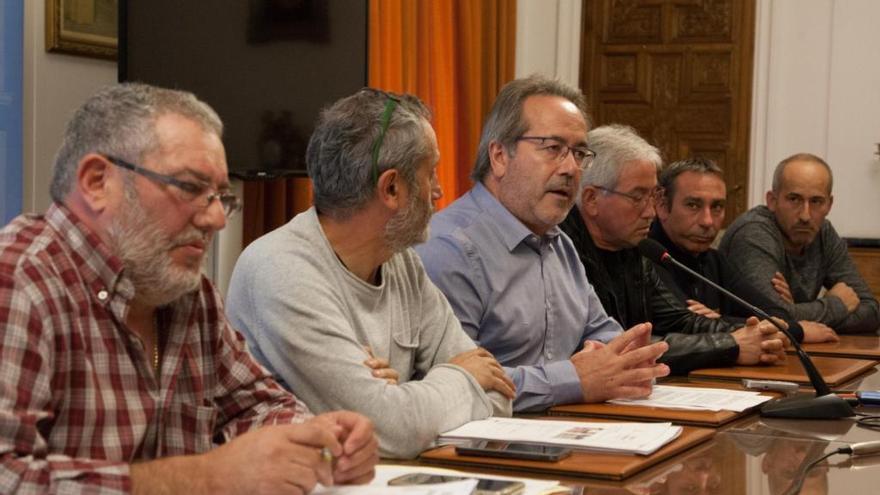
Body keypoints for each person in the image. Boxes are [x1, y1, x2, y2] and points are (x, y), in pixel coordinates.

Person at [0, 83, 378, 494]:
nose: (217, 218)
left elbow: (257, 406)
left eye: (220, 196)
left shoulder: (188, 294)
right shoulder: (20, 281)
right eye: (190, 188)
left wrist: (320, 440)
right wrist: (204, 478)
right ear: (96, 182)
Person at [226, 88, 513, 459]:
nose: (439, 191)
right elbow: (389, 431)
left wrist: (402, 399)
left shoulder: (402, 263)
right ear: (391, 188)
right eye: (432, 173)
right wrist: (455, 379)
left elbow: (499, 391)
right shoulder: (280, 269)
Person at [416, 75, 670, 413]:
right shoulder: (449, 248)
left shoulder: (559, 244)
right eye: (552, 148)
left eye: (579, 153)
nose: (570, 169)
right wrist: (574, 379)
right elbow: (459, 384)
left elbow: (608, 339)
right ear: (499, 156)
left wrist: (625, 361)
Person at [559, 125, 786, 374]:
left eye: (652, 196)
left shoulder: (634, 248)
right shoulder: (562, 251)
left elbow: (680, 320)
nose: (650, 213)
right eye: (638, 197)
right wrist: (730, 344)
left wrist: (759, 333)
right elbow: (615, 349)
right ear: (592, 199)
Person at [651, 156, 838, 343]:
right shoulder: (646, 257)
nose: (707, 221)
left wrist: (717, 321)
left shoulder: (714, 260)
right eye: (693, 205)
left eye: (717, 207)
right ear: (662, 205)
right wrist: (797, 331)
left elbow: (776, 314)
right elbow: (685, 325)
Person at [720, 153, 880, 333]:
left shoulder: (823, 232)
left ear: (829, 204)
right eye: (794, 199)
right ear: (772, 201)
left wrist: (796, 311)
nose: (805, 215)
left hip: (801, 347)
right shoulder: (753, 233)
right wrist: (836, 305)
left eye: (816, 201)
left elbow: (872, 312)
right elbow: (773, 320)